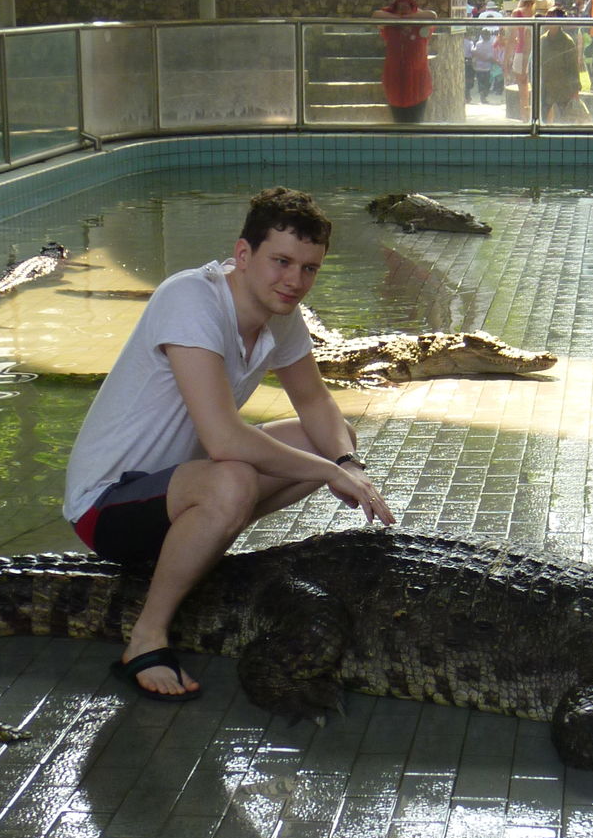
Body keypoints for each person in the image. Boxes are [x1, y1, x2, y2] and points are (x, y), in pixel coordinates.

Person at [64, 186, 395, 700]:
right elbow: (222, 437)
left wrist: (348, 462)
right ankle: (146, 637)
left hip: (178, 488)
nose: (294, 281)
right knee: (236, 476)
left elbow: (314, 402)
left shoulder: (280, 315)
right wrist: (329, 473)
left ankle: (199, 540)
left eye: (309, 268)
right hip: (106, 505)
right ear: (243, 255)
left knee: (329, 439)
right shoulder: (191, 298)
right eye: (281, 261)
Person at [372, 0, 437, 123]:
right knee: (398, 123)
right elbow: (375, 16)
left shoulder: (421, 25)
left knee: (416, 123)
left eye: (407, 6)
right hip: (395, 82)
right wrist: (399, 18)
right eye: (400, 6)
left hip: (418, 83)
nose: (403, 9)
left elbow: (433, 16)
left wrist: (409, 17)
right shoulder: (390, 27)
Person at [535, 0, 585, 121]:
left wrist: (575, 89)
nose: (549, 20)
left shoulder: (567, 42)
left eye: (552, 17)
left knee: (565, 118)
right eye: (548, 17)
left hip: (563, 88)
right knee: (542, 118)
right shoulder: (542, 40)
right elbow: (536, 64)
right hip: (545, 87)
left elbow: (573, 68)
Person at [501, 0, 538, 118]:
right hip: (537, 54)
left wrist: (505, 61)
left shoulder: (518, 13)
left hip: (521, 54)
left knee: (523, 95)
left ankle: (525, 122)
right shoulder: (538, 12)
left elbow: (512, 39)